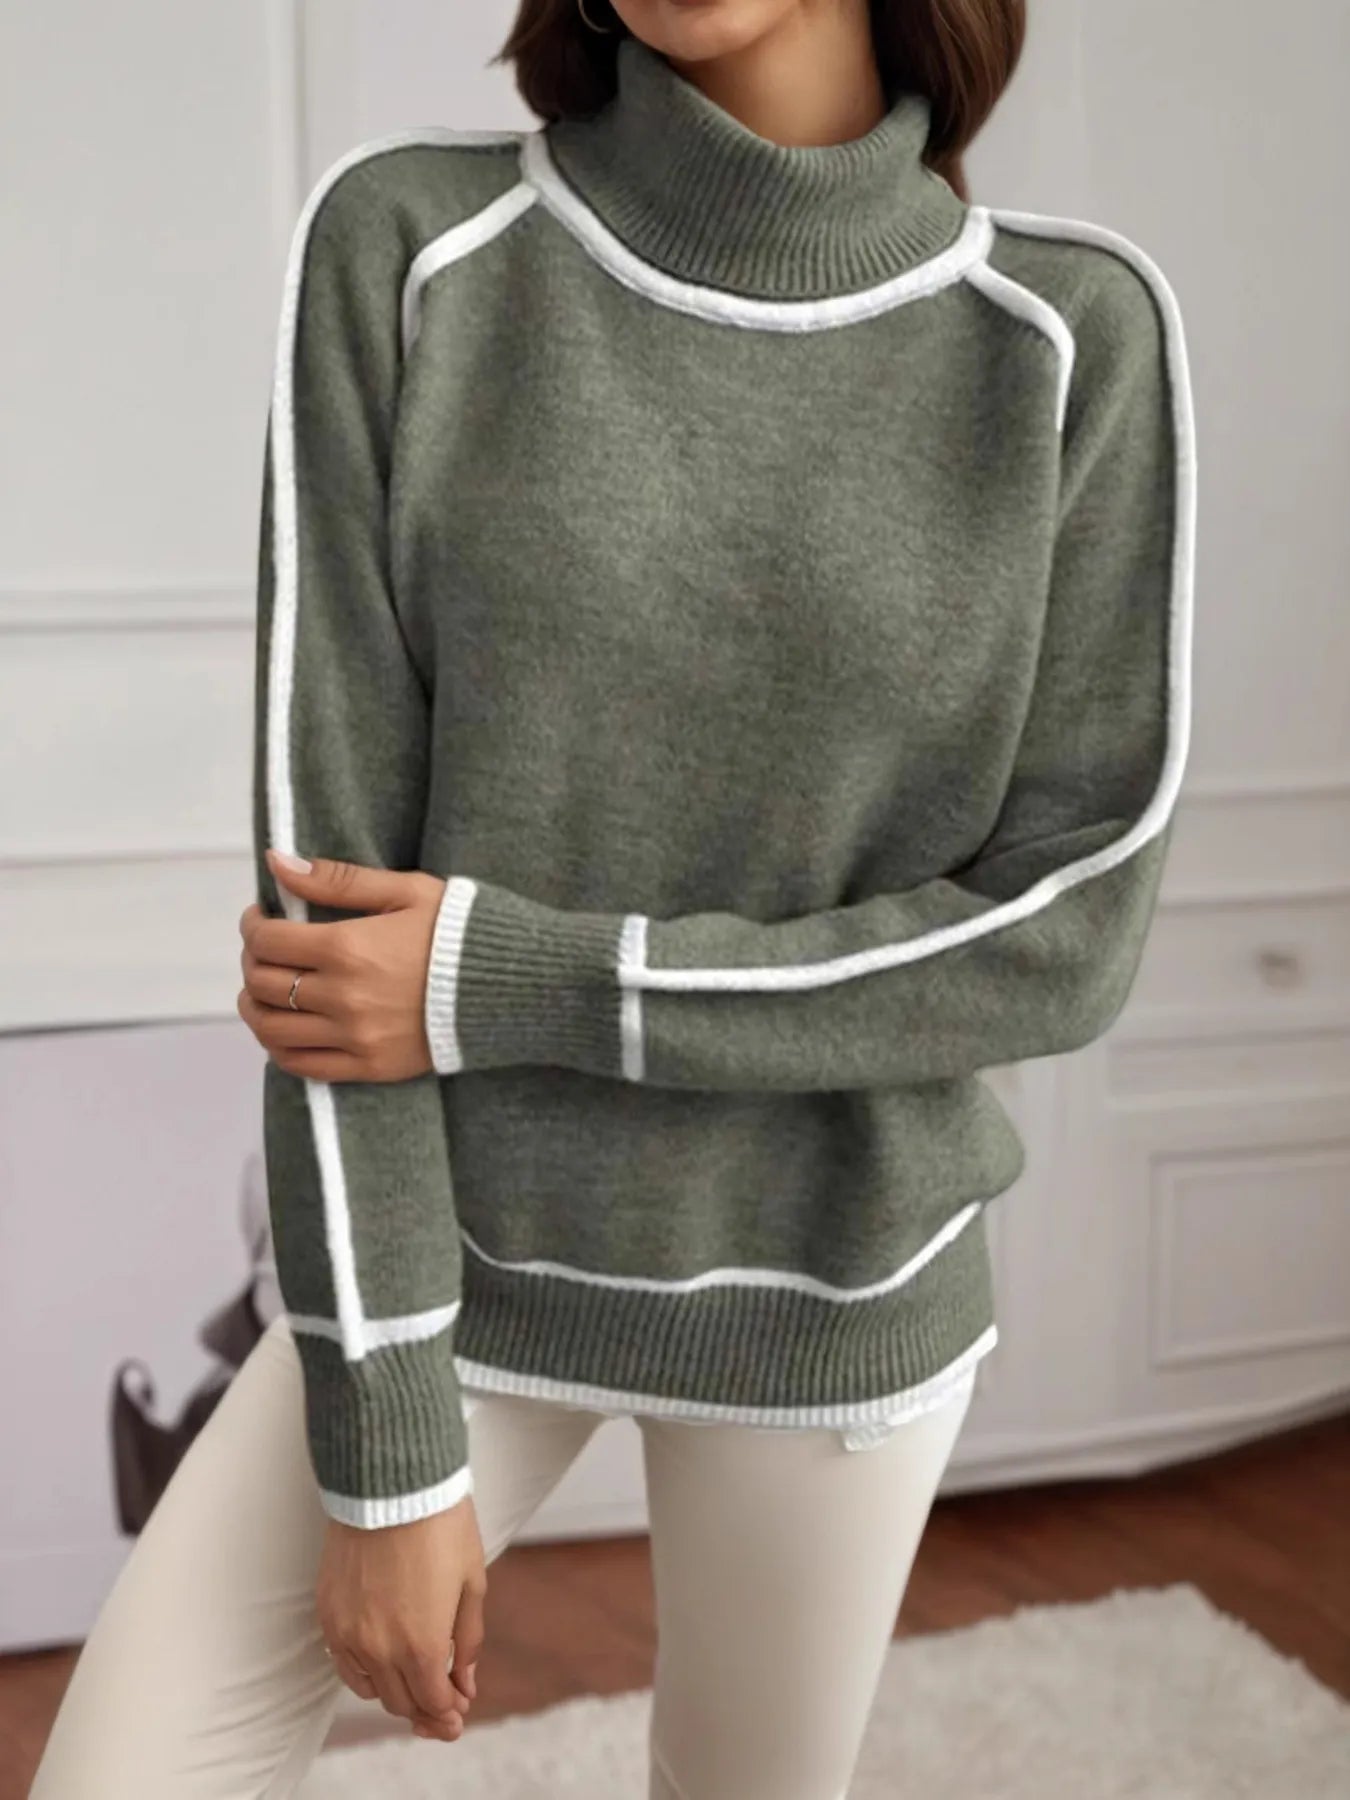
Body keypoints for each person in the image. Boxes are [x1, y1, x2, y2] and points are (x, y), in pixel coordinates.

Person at [30, 0, 1195, 1793]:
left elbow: (1063, 935)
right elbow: (329, 935)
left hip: (836, 1276)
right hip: (457, 1260)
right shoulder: (415, 247)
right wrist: (390, 1449)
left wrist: (521, 979)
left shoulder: (1062, 336)